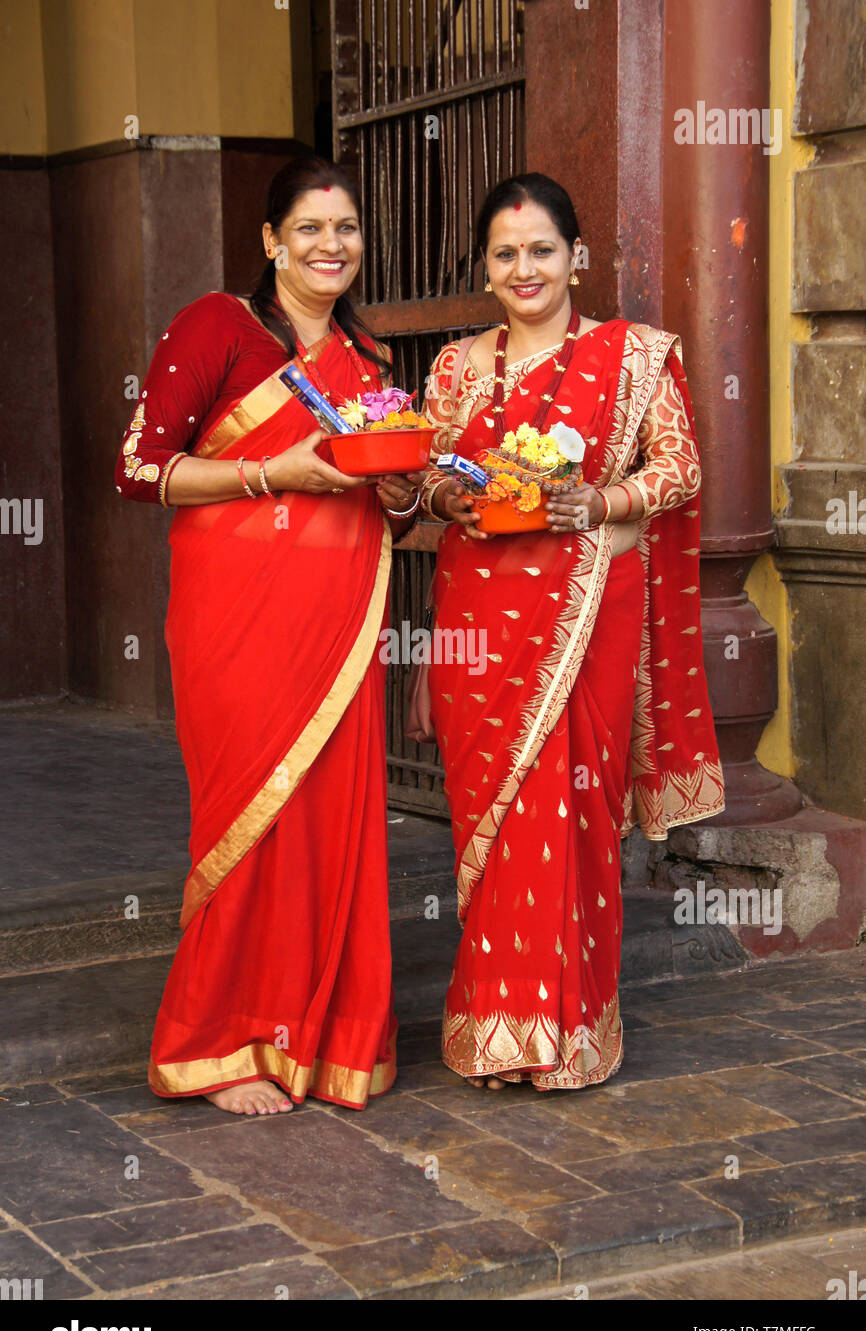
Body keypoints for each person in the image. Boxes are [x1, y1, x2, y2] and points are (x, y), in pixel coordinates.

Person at [115, 157, 422, 1116]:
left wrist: (406, 492)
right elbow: (137, 466)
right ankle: (221, 1041)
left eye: (347, 228)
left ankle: (325, 1038)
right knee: (250, 821)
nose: (332, 245)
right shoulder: (220, 327)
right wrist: (270, 474)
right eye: (311, 228)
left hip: (339, 631)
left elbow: (380, 505)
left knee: (330, 828)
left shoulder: (368, 364)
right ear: (270, 241)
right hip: (236, 624)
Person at [420, 173, 725, 1092]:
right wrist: (454, 501)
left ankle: (572, 1033)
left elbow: (680, 469)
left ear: (575, 257)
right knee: (498, 819)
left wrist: (600, 497)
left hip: (590, 608)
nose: (525, 269)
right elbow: (426, 472)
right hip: (479, 620)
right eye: (506, 253)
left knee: (575, 815)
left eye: (542, 250)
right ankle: (497, 1027)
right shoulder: (455, 369)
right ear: (485, 264)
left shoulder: (634, 358)